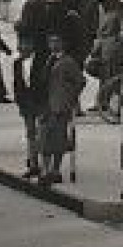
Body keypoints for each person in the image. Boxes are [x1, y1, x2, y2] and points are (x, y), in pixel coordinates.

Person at [40, 31, 84, 185]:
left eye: (56, 41)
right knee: (44, 138)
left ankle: (55, 170)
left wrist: (69, 98)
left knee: (58, 140)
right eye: (50, 41)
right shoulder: (49, 60)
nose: (53, 44)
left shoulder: (68, 62)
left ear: (63, 43)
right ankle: (45, 170)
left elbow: (80, 81)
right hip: (46, 104)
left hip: (60, 105)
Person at [12, 32, 52, 181]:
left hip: (40, 101)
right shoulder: (17, 63)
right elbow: (17, 84)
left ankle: (45, 167)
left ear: (32, 46)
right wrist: (19, 101)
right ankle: (33, 164)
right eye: (20, 45)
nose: (22, 47)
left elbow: (46, 82)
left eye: (25, 44)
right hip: (26, 103)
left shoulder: (42, 61)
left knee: (42, 134)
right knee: (30, 134)